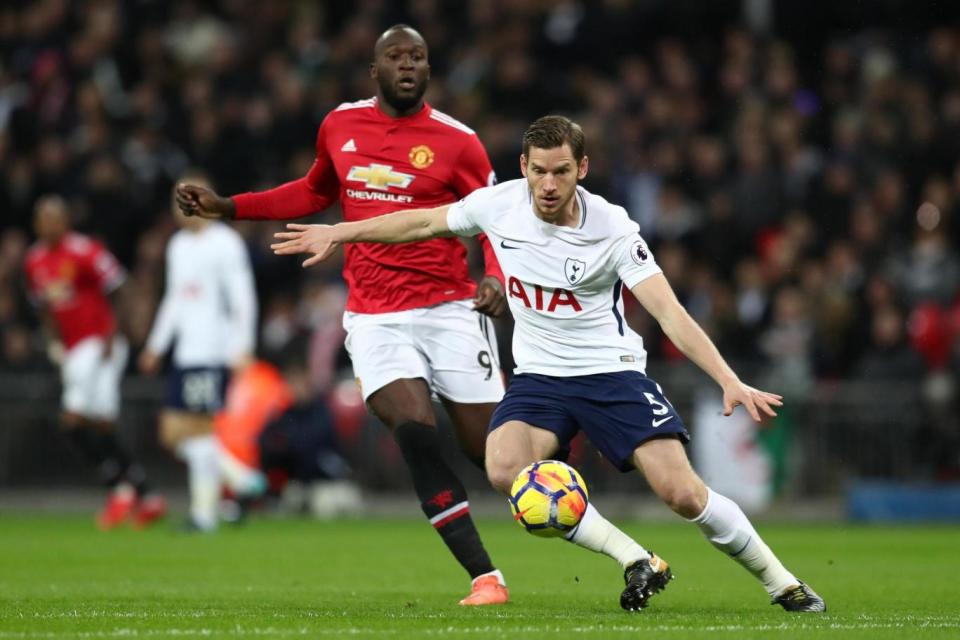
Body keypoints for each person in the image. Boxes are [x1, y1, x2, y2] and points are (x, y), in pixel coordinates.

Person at [271, 115, 827, 613]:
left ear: (582, 167)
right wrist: (341, 230)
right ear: (523, 166)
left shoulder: (612, 229)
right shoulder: (500, 204)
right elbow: (419, 223)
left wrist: (728, 379)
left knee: (684, 495)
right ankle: (636, 559)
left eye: (562, 171)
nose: (549, 184)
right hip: (541, 379)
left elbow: (670, 313)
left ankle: (783, 583)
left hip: (612, 374)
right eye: (539, 171)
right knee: (503, 466)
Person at [175, 25, 509, 604]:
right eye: (395, 57)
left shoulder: (460, 142)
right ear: (373, 71)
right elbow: (311, 193)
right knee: (414, 430)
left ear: (428, 71)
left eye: (418, 57)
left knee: (496, 459)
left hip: (451, 307)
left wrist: (496, 279)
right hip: (375, 316)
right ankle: (485, 576)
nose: (407, 65)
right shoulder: (340, 125)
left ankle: (601, 531)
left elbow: (500, 219)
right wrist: (229, 207)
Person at [23, 195, 166, 529]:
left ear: (65, 221)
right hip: (72, 347)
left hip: (97, 343)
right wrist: (54, 341)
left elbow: (120, 287)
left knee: (72, 418)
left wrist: (110, 333)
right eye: (43, 219)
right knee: (102, 423)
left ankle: (119, 488)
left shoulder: (84, 250)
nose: (49, 224)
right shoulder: (34, 261)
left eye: (55, 218)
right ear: (36, 224)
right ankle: (143, 494)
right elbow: (43, 306)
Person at [139, 173, 258, 532]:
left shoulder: (225, 243)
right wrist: (156, 345)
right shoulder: (178, 245)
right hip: (186, 353)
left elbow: (242, 296)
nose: (183, 208)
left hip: (212, 350)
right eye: (179, 201)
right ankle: (244, 482)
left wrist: (242, 346)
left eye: (190, 198)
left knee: (196, 432)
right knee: (178, 434)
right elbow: (175, 299)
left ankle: (204, 515)